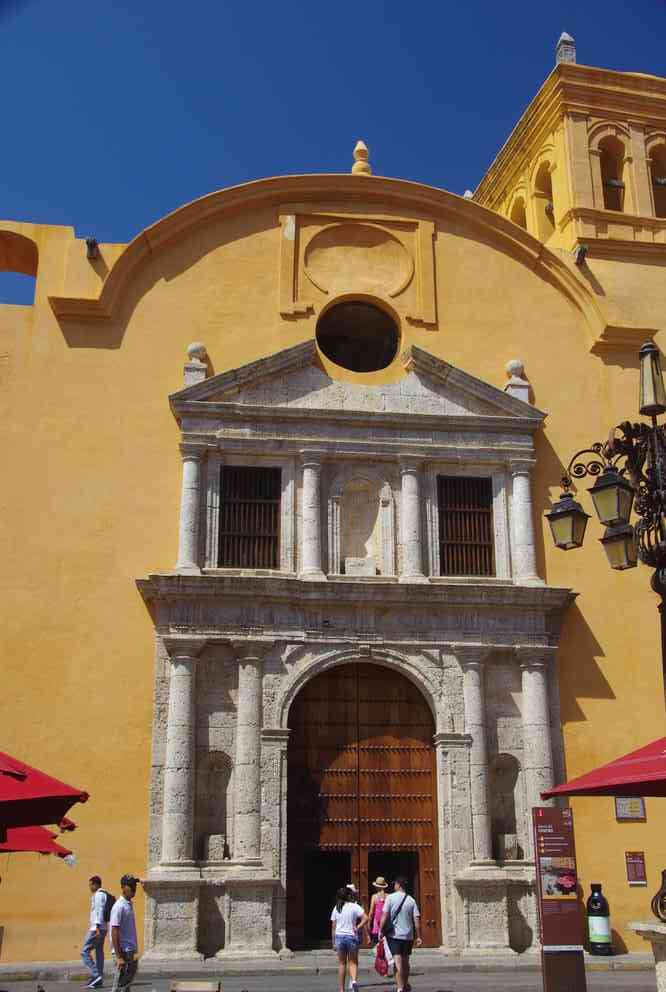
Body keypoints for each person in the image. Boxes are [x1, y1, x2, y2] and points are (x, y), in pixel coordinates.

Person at [379, 876, 422, 992]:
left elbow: (384, 915)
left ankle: (400, 987)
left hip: (394, 935)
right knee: (406, 961)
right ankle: (405, 983)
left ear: (399, 885)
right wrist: (418, 936)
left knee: (397, 963)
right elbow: (416, 920)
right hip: (408, 936)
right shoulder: (411, 900)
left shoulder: (390, 898)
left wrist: (380, 930)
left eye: (395, 884)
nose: (394, 886)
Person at [330, 886, 368, 992]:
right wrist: (358, 927)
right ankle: (354, 981)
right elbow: (366, 918)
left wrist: (333, 943)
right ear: (349, 896)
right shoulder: (354, 906)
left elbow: (333, 927)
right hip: (351, 936)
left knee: (342, 963)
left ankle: (341, 989)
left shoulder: (337, 908)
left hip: (339, 937)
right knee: (353, 962)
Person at [110, 874, 141, 992]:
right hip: (122, 952)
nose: (134, 889)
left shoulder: (128, 903)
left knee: (125, 987)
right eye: (131, 886)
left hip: (129, 951)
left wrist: (140, 880)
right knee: (119, 987)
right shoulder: (119, 906)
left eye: (135, 886)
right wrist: (119, 957)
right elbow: (114, 931)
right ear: (123, 887)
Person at [81, 875, 107, 989]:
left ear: (95, 884)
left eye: (90, 884)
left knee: (84, 951)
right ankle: (99, 979)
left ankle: (95, 975)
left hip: (96, 928)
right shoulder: (104, 894)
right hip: (103, 927)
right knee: (99, 951)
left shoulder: (98, 895)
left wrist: (96, 927)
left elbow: (99, 911)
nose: (90, 887)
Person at [368, 875, 388, 946]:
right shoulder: (388, 896)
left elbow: (371, 912)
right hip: (386, 922)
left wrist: (369, 923)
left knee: (377, 944)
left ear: (376, 886)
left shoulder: (374, 897)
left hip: (377, 922)